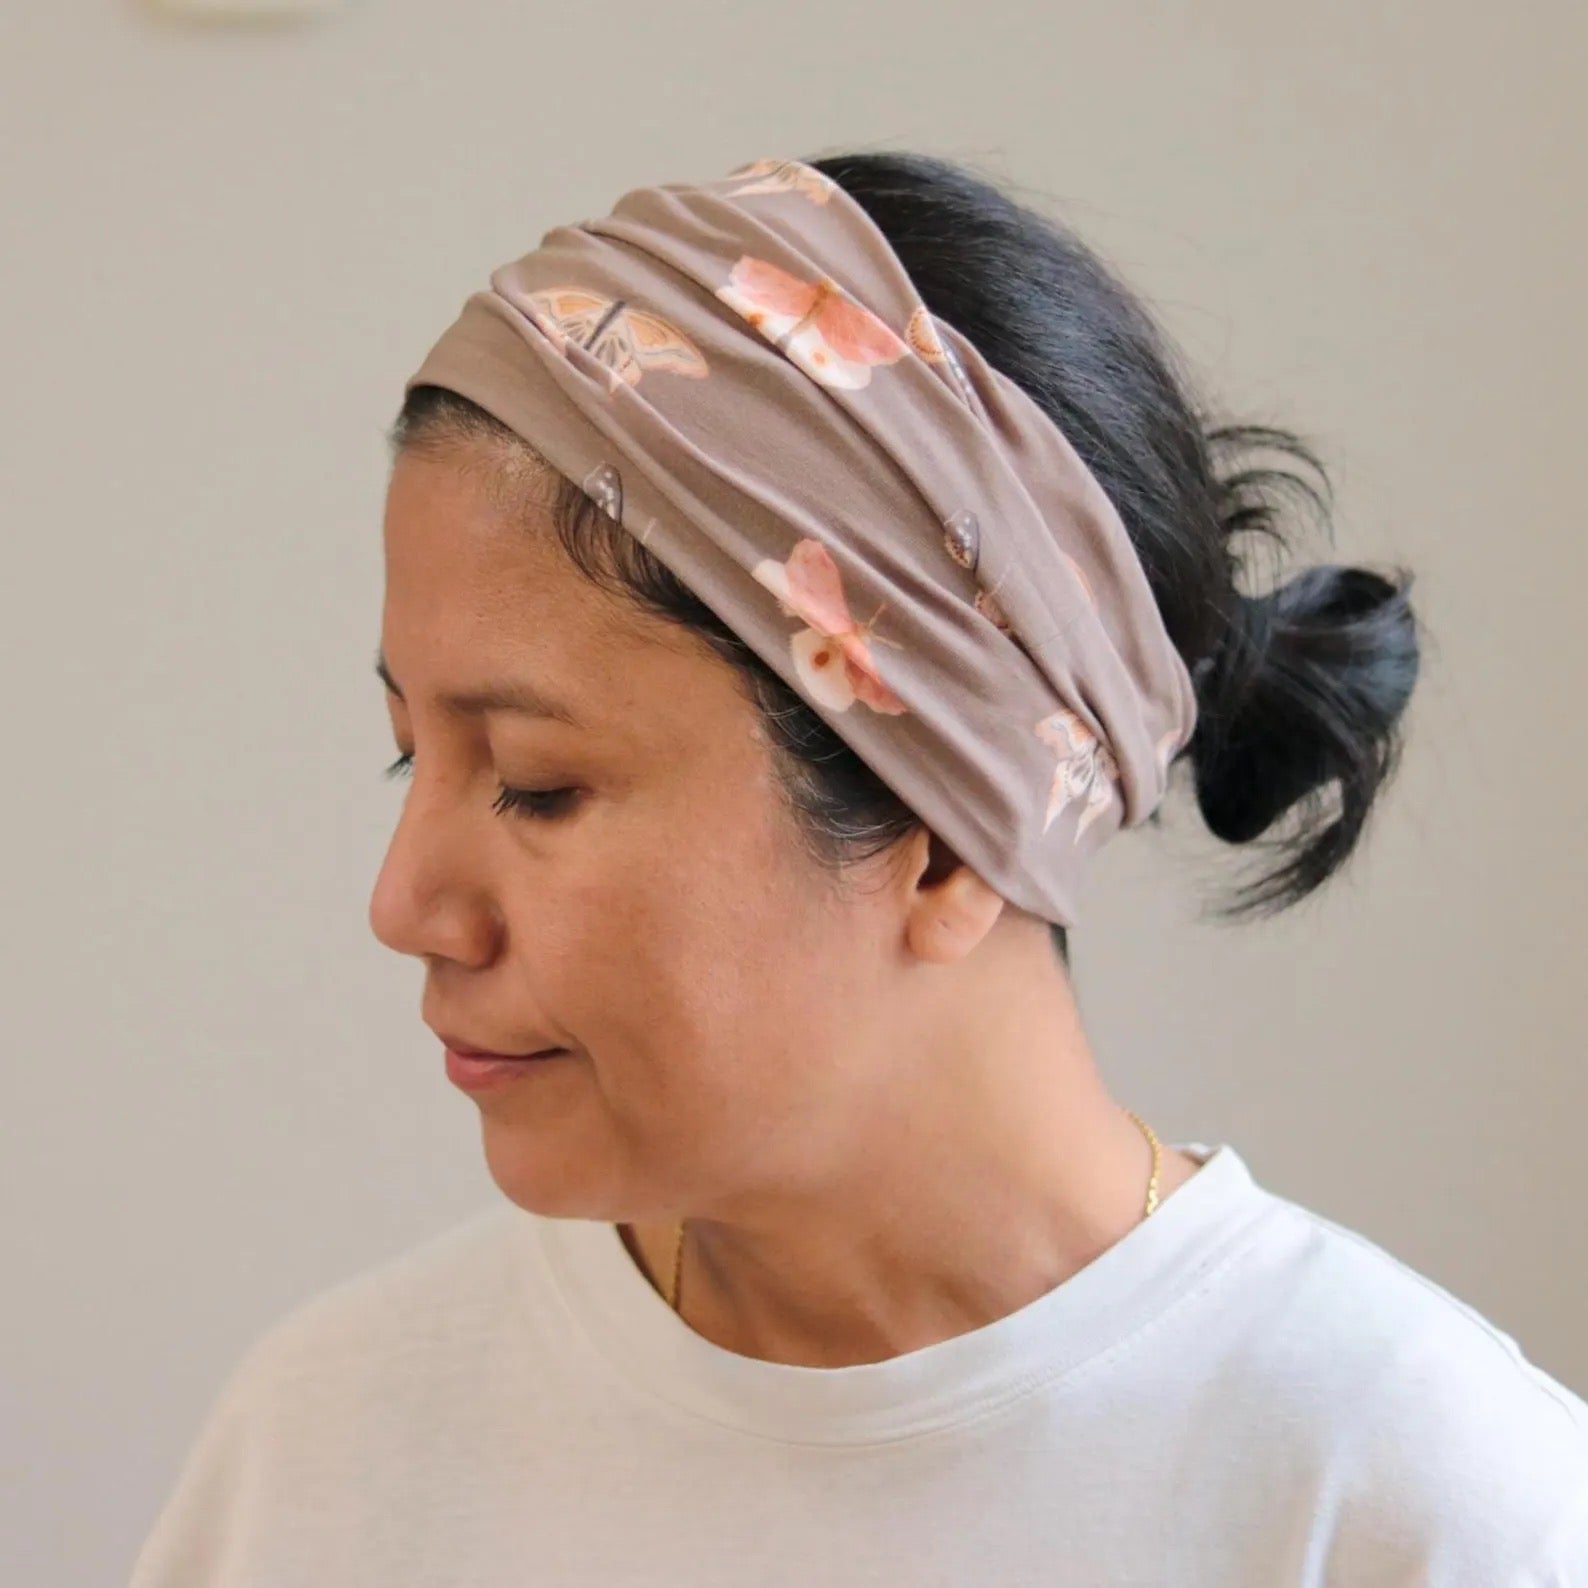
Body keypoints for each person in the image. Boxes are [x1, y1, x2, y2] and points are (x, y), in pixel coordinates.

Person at [130, 151, 1588, 1586]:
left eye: (537, 785)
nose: (403, 907)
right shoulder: (326, 1451)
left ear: (947, 834)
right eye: (409, 756)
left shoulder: (1425, 1509)